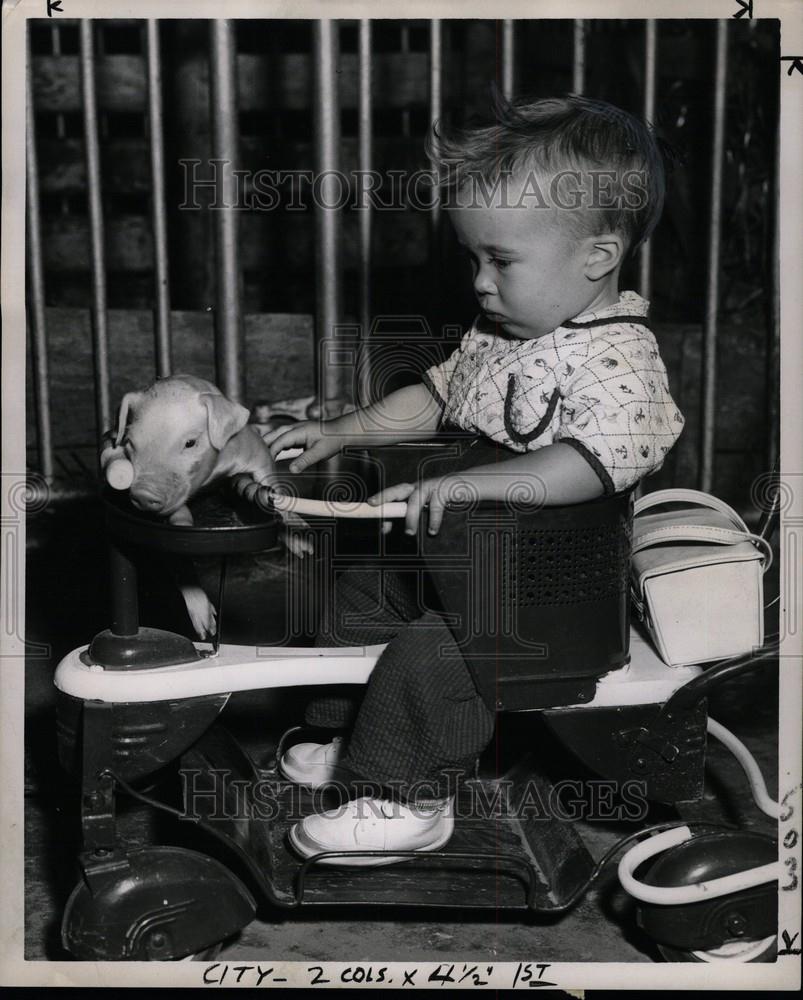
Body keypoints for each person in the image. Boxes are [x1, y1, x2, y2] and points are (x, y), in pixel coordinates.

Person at [262, 93, 685, 866]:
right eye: (472, 259)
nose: (480, 283)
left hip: (544, 600)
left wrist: (470, 487)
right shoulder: (500, 337)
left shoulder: (617, 359)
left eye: (501, 260)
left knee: (434, 656)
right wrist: (341, 430)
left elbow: (589, 465)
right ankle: (348, 739)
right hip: (462, 561)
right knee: (361, 589)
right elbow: (431, 397)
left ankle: (405, 794)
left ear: (596, 257)